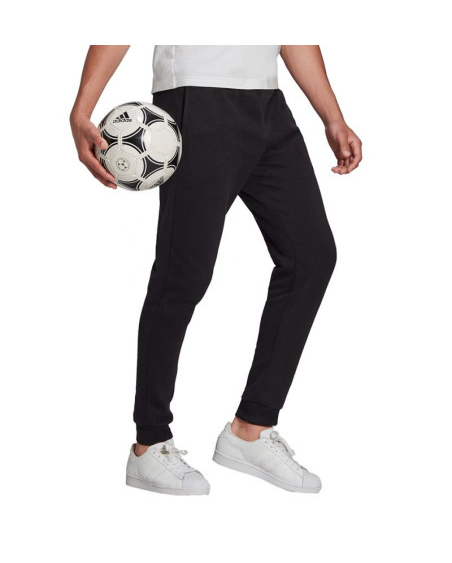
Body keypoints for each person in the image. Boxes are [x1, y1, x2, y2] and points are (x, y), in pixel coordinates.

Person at [70, 45, 362, 495]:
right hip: (197, 98)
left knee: (312, 257)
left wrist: (333, 117)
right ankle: (149, 443)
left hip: (268, 103)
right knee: (183, 275)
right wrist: (82, 109)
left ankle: (251, 428)